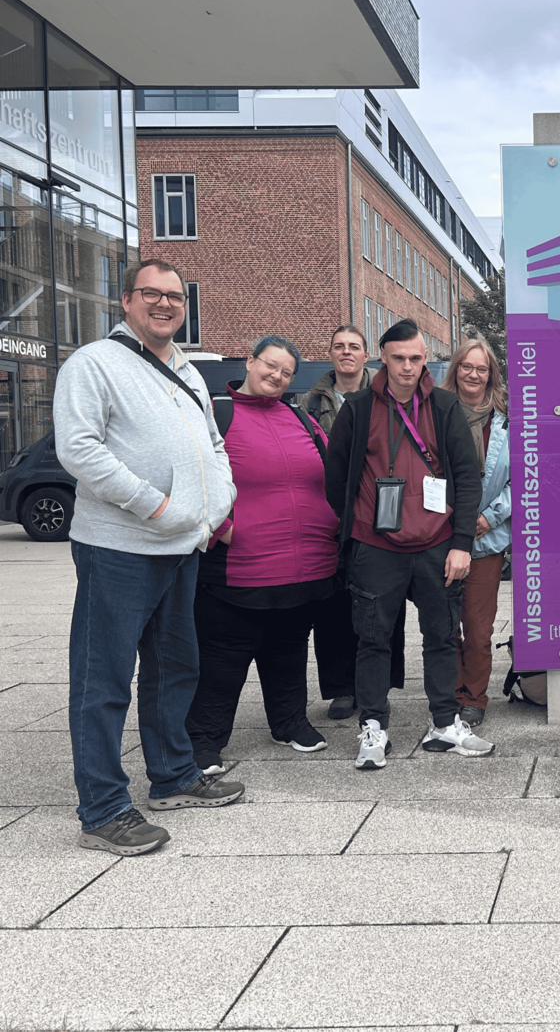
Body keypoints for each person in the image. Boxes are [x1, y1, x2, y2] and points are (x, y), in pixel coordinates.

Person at [53, 259, 244, 856]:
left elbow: (212, 444)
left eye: (175, 298)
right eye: (152, 295)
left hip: (182, 546)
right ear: (127, 301)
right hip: (120, 547)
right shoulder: (94, 364)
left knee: (175, 668)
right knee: (103, 679)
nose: (165, 306)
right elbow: (79, 450)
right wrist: (155, 505)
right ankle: (103, 808)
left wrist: (216, 506)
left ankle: (173, 775)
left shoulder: (185, 368)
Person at [325, 318, 493, 768]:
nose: (407, 367)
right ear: (383, 358)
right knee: (373, 640)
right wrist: (358, 525)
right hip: (376, 547)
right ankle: (375, 728)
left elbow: (465, 476)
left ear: (426, 359)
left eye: (416, 358)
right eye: (398, 358)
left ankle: (444, 723)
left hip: (438, 544)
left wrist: (460, 543)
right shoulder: (358, 408)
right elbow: (336, 478)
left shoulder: (445, 406)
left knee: (441, 637)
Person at [185, 336, 339, 775]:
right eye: (270, 365)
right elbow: (187, 473)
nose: (276, 376)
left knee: (288, 650)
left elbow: (331, 476)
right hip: (238, 569)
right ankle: (204, 742)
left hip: (303, 568)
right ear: (250, 362)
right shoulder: (218, 415)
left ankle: (289, 723)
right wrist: (221, 528)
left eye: (286, 371)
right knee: (222, 659)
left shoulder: (302, 418)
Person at [301, 324, 405, 722]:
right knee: (334, 606)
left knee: (382, 604)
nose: (347, 352)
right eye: (339, 346)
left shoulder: (387, 397)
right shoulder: (310, 402)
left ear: (367, 356)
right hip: (332, 515)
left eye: (354, 347)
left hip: (380, 514)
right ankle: (341, 688)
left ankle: (379, 684)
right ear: (330, 354)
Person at [442, 338, 511, 728]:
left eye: (481, 368)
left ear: (491, 374)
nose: (473, 374)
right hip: (441, 536)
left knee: (479, 627)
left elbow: (523, 478)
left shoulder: (506, 417)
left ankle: (474, 697)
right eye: (466, 366)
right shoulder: (436, 411)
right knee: (443, 625)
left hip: (486, 537)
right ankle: (449, 693)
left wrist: (489, 517)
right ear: (456, 369)